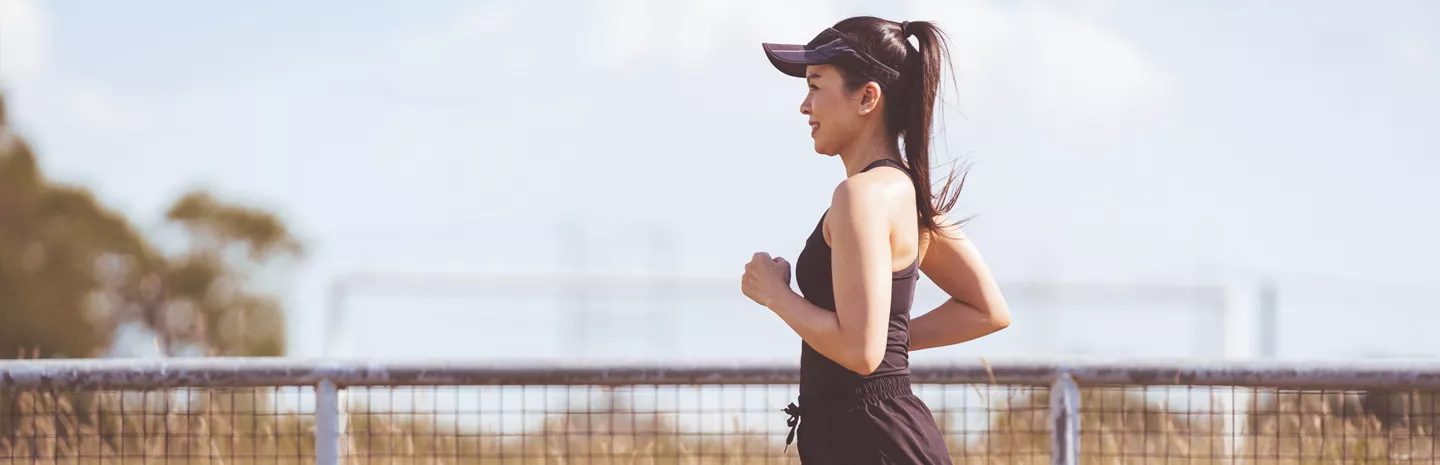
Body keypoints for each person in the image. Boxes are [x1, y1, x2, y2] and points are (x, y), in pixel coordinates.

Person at [740, 16, 1012, 464]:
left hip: (870, 441)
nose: (804, 107)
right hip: (879, 436)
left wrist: (775, 295)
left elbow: (860, 353)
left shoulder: (859, 197)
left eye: (815, 85)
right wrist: (892, 342)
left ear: (867, 96)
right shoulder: (910, 196)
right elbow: (986, 311)